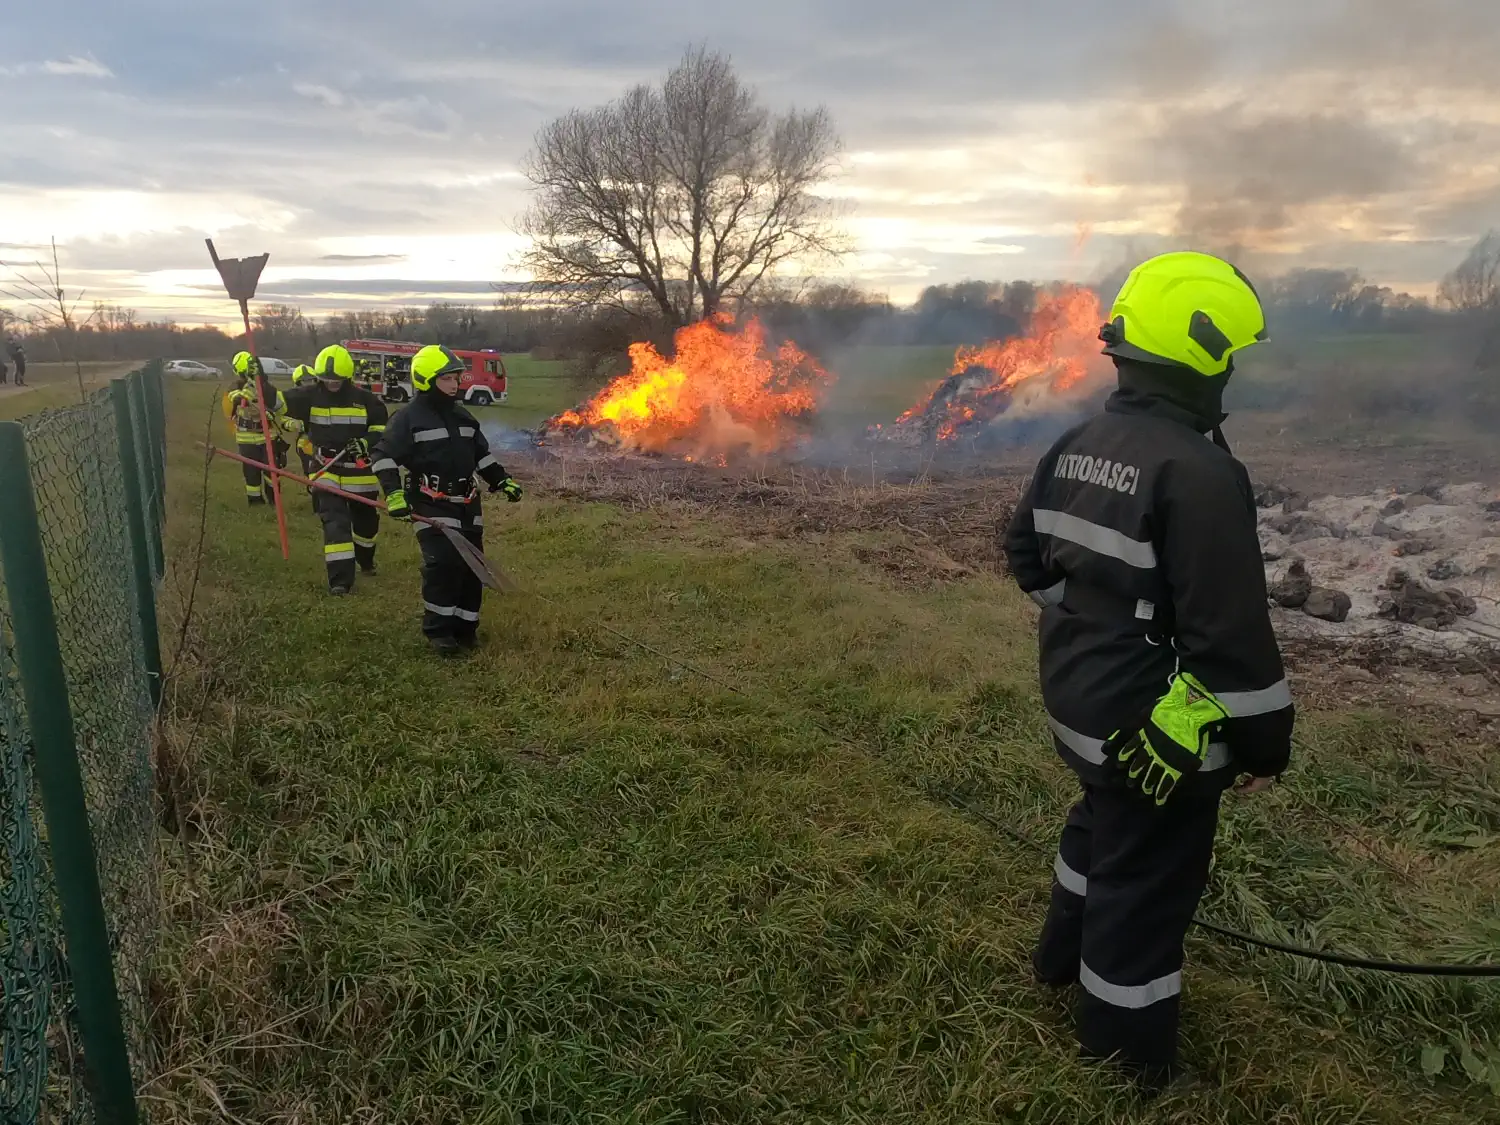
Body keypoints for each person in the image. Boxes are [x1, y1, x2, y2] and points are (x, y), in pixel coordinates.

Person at [1003, 251, 1294, 1090]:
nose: (1232, 371)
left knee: (1100, 825)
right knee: (1146, 886)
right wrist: (1264, 744)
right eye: (1229, 355)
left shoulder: (1078, 441)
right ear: (1201, 355)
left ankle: (1059, 959)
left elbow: (1026, 551)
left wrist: (1087, 619)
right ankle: (1125, 1062)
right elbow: (1229, 637)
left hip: (1077, 701)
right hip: (1152, 732)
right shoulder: (1200, 473)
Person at [371, 344, 521, 654]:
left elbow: (481, 456)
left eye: (456, 378)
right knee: (444, 564)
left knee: (472, 567)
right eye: (446, 379)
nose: (455, 384)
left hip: (467, 502)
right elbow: (383, 456)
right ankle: (439, 631)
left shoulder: (463, 417)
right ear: (425, 380)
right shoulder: (408, 418)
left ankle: (466, 629)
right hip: (430, 501)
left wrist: (502, 480)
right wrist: (394, 494)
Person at [282, 344, 388, 595]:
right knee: (335, 522)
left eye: (337, 379)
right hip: (325, 469)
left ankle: (366, 560)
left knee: (366, 525)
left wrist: (365, 442)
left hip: (360, 471)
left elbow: (381, 430)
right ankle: (340, 581)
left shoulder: (367, 400)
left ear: (347, 376)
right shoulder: (307, 395)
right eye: (327, 379)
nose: (331, 383)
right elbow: (276, 402)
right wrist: (260, 381)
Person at [224, 352, 289, 505]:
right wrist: (246, 392)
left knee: (272, 471)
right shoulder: (236, 386)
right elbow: (234, 397)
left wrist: (261, 384)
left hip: (268, 437)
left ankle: (274, 500)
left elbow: (280, 407)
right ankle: (255, 502)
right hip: (246, 438)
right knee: (251, 473)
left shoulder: (266, 387)